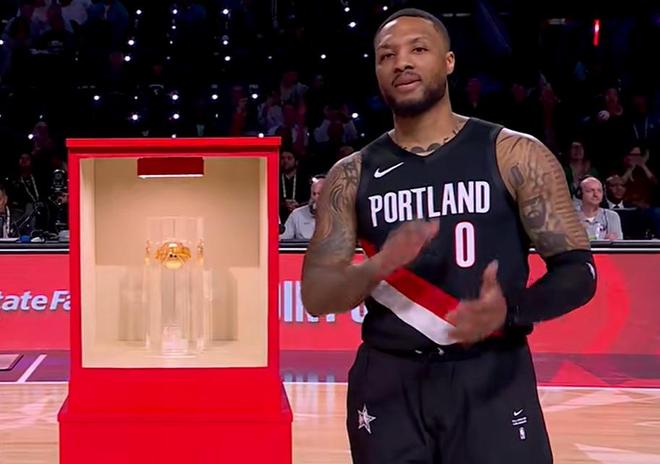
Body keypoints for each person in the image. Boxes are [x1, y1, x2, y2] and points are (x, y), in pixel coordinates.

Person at [301, 9, 596, 464]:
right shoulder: (351, 174)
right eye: (386, 55)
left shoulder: (514, 154)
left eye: (418, 49)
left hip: (490, 373)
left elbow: (579, 272)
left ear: (449, 61)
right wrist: (379, 265)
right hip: (388, 380)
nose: (401, 62)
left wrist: (511, 311)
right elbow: (317, 295)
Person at [280, 175, 325, 240]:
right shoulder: (296, 215)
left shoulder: (339, 215)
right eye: (314, 194)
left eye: (320, 194)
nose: (315, 198)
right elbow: (283, 240)